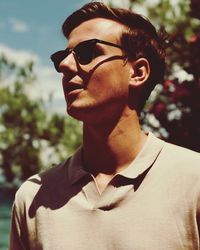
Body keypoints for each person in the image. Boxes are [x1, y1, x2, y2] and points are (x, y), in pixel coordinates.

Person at [9, 1, 200, 250]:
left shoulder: (193, 181)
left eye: (87, 53)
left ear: (138, 72)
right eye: (61, 57)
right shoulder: (32, 198)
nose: (65, 66)